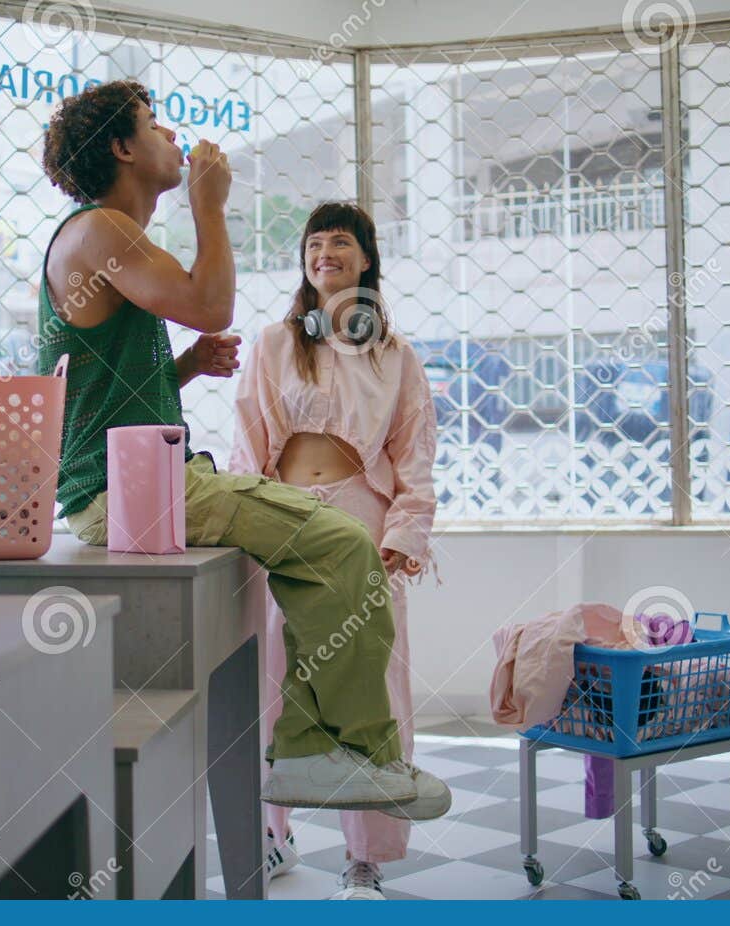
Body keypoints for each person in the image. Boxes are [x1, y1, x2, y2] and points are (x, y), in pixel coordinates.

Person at [36, 81, 449, 828]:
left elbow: (101, 381)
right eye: (155, 126)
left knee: (338, 558)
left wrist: (183, 368)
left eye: (341, 242)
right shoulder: (102, 230)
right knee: (342, 548)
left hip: (140, 482)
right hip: (128, 492)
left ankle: (324, 758)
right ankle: (338, 755)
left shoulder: (104, 237)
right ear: (124, 149)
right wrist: (210, 206)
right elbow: (211, 302)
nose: (173, 136)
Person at [231, 201, 440, 900]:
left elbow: (415, 457)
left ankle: (366, 862)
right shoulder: (273, 345)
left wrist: (402, 537)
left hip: (360, 530)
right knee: (269, 680)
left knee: (371, 688)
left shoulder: (395, 356)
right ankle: (271, 834)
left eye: (341, 242)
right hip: (282, 523)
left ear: (367, 258)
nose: (325, 252)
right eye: (314, 243)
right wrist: (246, 526)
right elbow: (248, 446)